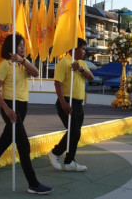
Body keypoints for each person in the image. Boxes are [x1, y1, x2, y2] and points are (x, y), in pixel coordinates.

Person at [0, 34, 53, 195]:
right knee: (24, 145)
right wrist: (6, 109)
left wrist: (22, 60)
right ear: (11, 48)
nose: (23, 47)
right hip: (11, 106)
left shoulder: (23, 64)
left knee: (4, 142)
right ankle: (33, 183)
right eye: (19, 45)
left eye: (24, 44)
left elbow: (36, 73)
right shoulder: (5, 65)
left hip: (22, 106)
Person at [47, 38, 94, 171]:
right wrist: (63, 102)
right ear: (74, 49)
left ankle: (69, 161)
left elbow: (91, 77)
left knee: (76, 133)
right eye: (82, 49)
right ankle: (55, 153)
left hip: (78, 103)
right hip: (67, 101)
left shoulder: (81, 63)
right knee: (73, 130)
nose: (84, 52)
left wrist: (80, 69)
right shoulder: (64, 62)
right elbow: (58, 83)